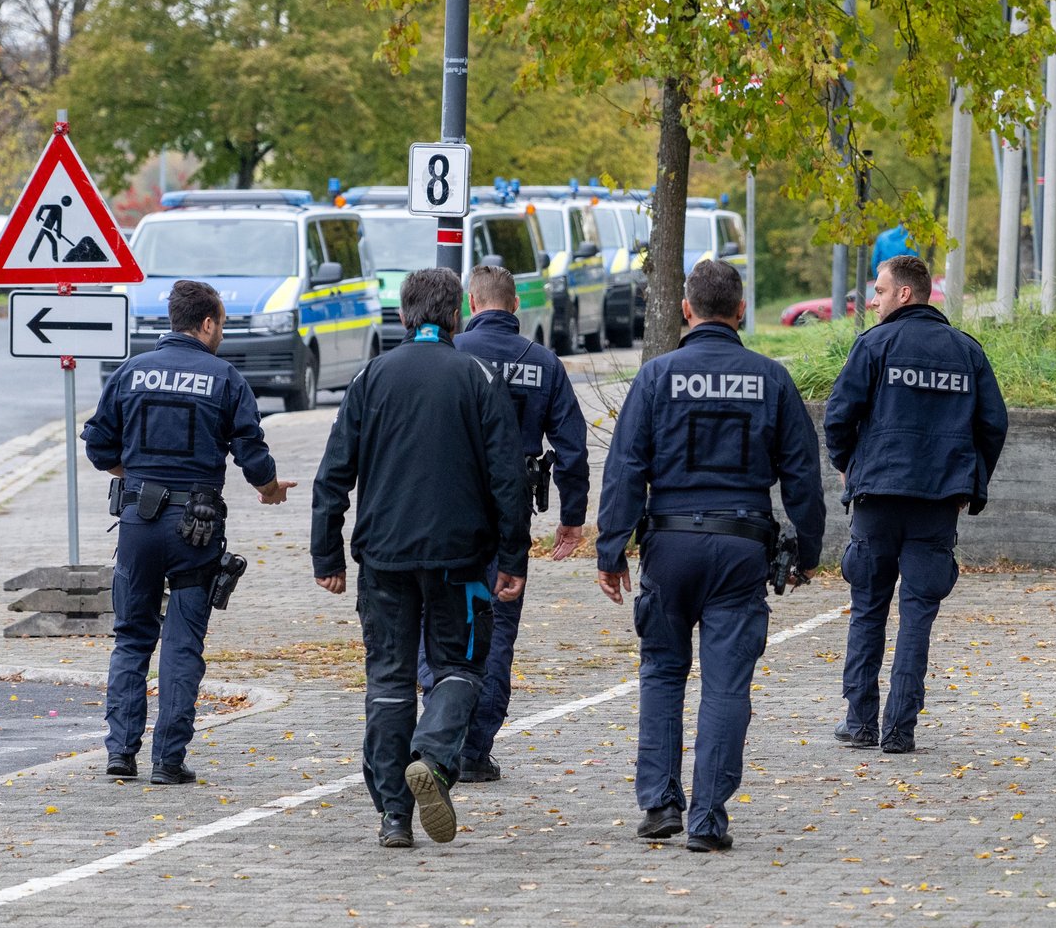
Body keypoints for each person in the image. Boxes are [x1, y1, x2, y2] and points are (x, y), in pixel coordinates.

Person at [595, 259, 826, 852]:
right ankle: (707, 819)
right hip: (741, 549)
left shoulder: (656, 377)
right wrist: (808, 551)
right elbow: (803, 474)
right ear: (741, 310)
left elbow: (625, 468)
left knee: (662, 674)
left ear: (686, 309)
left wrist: (611, 549)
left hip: (669, 548)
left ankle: (659, 804)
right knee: (725, 688)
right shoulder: (771, 379)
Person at [311, 267, 531, 849]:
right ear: (457, 314)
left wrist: (326, 554)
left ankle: (393, 816)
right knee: (459, 668)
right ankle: (432, 760)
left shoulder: (370, 378)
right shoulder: (479, 377)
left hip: (383, 558)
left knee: (388, 678)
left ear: (404, 315)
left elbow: (333, 474)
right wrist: (514, 557)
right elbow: (508, 478)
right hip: (461, 561)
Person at [83, 280, 296, 784]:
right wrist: (269, 487)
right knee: (182, 645)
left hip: (136, 522)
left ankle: (120, 754)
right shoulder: (224, 378)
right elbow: (251, 453)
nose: (220, 333)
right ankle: (168, 761)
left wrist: (135, 474)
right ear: (206, 324)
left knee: (132, 638)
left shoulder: (130, 372)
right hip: (195, 530)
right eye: (220, 324)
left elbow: (98, 448)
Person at [822, 254, 1007, 754]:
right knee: (918, 613)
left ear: (904, 293)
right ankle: (899, 729)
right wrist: (972, 484)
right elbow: (993, 425)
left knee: (868, 609)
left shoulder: (875, 345)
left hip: (877, 499)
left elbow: (838, 416)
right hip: (935, 504)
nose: (874, 301)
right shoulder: (967, 353)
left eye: (879, 292)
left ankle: (860, 722)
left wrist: (848, 466)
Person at [414, 263, 589, 784]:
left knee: (436, 622)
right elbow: (573, 449)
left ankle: (438, 731)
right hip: (506, 520)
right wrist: (572, 517)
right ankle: (474, 750)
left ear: (470, 304)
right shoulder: (544, 364)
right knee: (497, 631)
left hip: (443, 513)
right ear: (515, 306)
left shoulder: (451, 355)